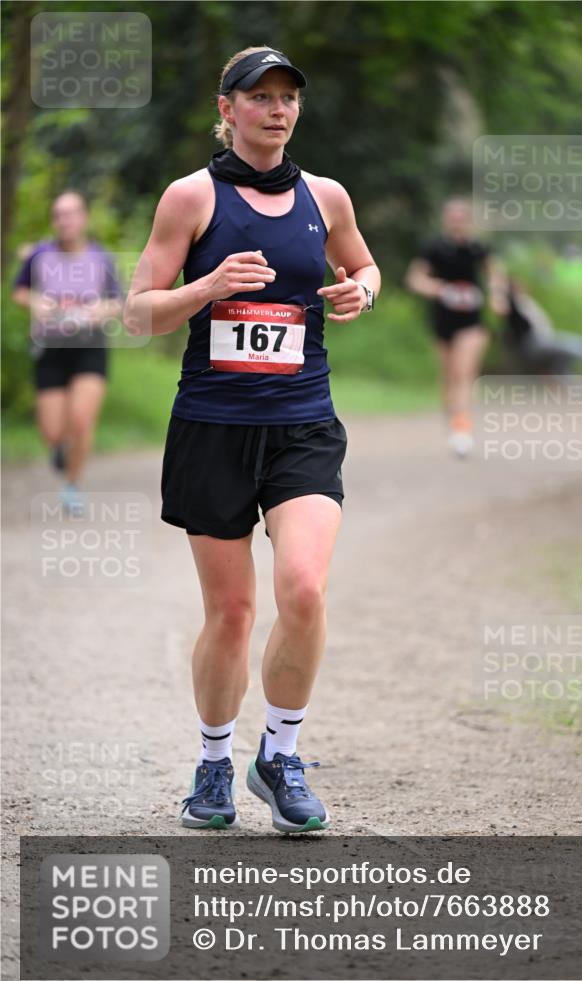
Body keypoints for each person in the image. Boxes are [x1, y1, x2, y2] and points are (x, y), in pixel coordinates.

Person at [123, 46, 380, 833]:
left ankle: (280, 754)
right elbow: (138, 312)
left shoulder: (325, 196)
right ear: (226, 108)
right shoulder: (190, 198)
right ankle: (210, 766)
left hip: (301, 423)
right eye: (258, 96)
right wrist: (205, 288)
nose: (276, 109)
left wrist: (358, 291)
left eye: (287, 97)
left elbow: (366, 266)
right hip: (212, 427)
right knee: (231, 612)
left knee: (302, 589)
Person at [12, 191, 122, 510]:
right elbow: (19, 292)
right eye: (59, 215)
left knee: (81, 419)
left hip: (89, 346)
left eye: (71, 214)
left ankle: (72, 486)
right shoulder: (39, 255)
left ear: (84, 217)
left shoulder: (102, 258)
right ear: (53, 221)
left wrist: (100, 310)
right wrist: (35, 302)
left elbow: (117, 301)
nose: (65, 221)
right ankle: (60, 448)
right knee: (52, 430)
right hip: (50, 347)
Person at [405, 198, 504, 457]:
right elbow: (415, 279)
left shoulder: (478, 249)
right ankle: (454, 425)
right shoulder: (434, 248)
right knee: (449, 377)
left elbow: (495, 275)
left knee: (463, 373)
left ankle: (462, 430)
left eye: (462, 217)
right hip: (442, 321)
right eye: (453, 216)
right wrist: (441, 289)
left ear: (469, 221)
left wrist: (497, 296)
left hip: (472, 322)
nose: (458, 221)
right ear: (445, 219)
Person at [501, 278, 582, 375]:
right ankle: (560, 376)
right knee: (577, 346)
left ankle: (557, 375)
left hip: (544, 338)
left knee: (579, 345)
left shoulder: (525, 302)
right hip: (536, 342)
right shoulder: (515, 305)